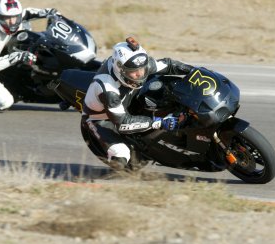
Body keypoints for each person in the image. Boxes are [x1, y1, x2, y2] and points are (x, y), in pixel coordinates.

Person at [82, 37, 194, 170]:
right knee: (121, 158)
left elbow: (168, 65)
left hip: (128, 99)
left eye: (142, 69)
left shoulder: (138, 66)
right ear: (120, 69)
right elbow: (123, 123)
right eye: (134, 72)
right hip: (103, 119)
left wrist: (194, 71)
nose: (140, 74)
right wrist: (160, 122)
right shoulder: (108, 89)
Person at [0, 0, 59, 111]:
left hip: (1, 48)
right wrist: (18, 55)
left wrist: (50, 12)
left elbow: (28, 13)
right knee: (6, 102)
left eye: (15, 17)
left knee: (27, 31)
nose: (12, 22)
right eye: (7, 18)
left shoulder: (13, 18)